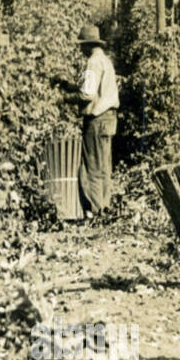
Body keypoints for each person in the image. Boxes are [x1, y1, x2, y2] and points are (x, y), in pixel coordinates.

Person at [60, 24, 119, 216]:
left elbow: (87, 94)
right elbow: (91, 88)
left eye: (81, 46)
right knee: (104, 167)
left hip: (96, 119)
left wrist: (64, 99)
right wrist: (68, 86)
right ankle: (104, 207)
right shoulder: (106, 61)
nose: (80, 50)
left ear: (87, 45)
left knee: (90, 168)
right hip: (109, 118)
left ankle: (95, 211)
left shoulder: (92, 62)